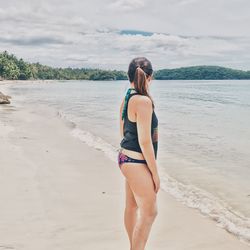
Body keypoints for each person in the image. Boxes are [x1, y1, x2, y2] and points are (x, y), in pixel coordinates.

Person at [118, 57, 160, 250]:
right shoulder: (143, 101)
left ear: (129, 77)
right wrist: (155, 173)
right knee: (150, 212)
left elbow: (123, 130)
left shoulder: (127, 98)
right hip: (136, 161)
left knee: (132, 206)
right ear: (150, 77)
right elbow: (145, 142)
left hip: (126, 158)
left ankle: (133, 246)